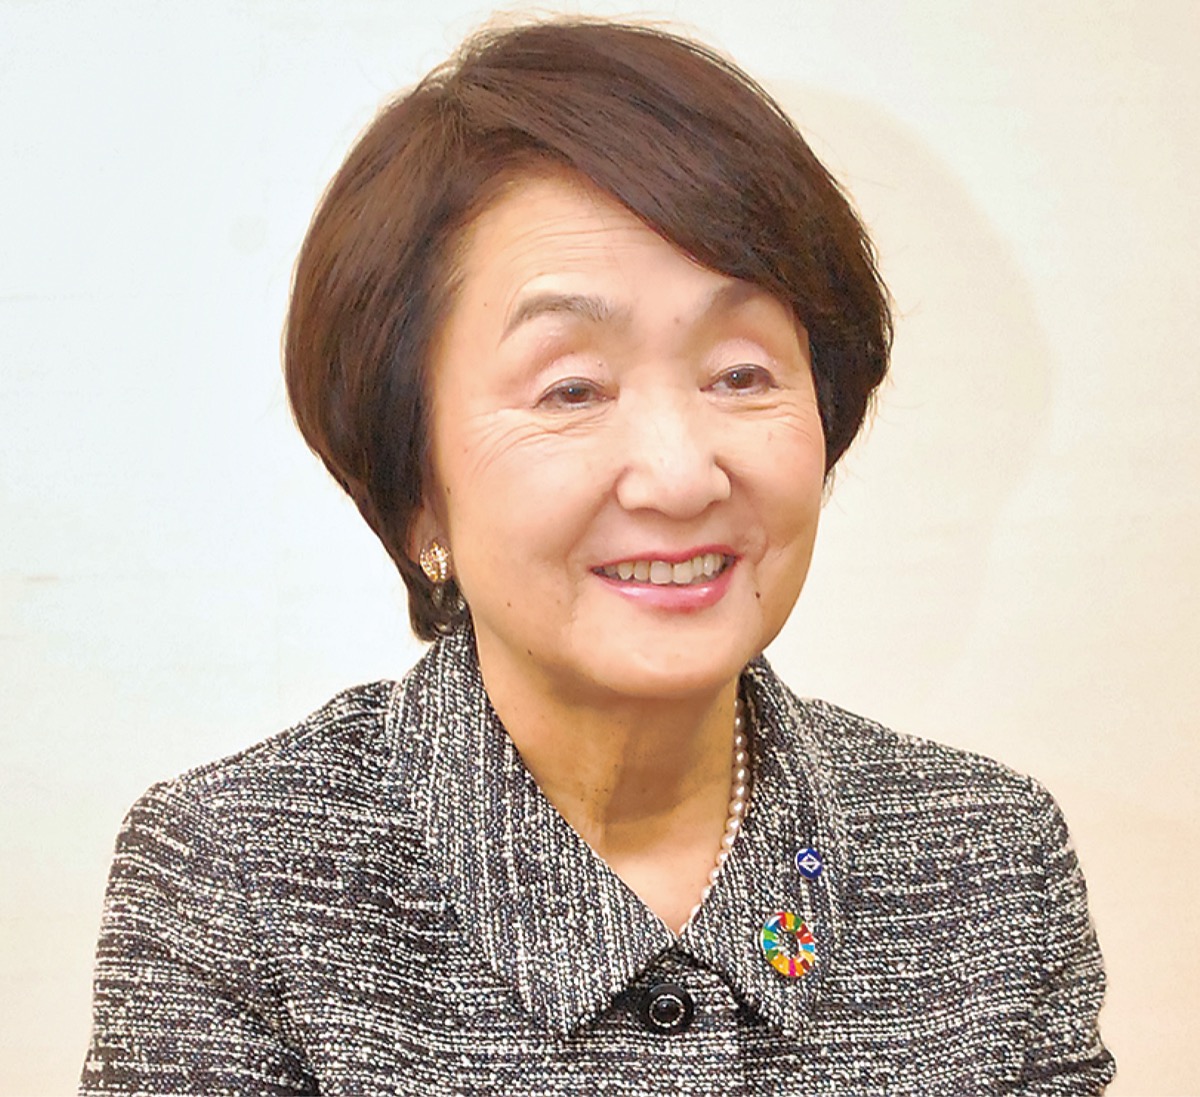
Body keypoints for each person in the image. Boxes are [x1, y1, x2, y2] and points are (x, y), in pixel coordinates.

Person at [80, 18, 1114, 1095]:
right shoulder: (239, 883)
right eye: (571, 388)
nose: (679, 475)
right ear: (416, 483)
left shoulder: (992, 863)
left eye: (742, 374)